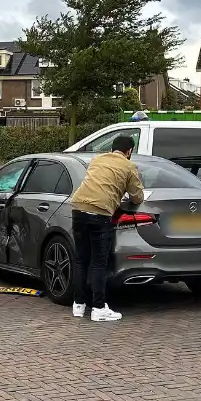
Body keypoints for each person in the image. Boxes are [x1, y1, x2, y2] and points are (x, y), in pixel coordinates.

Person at [68, 135, 145, 322]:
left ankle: (78, 305)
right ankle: (99, 308)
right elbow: (137, 197)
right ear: (129, 151)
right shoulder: (129, 166)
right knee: (98, 263)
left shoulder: (97, 159)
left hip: (78, 207)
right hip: (100, 211)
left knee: (81, 260)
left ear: (112, 148)